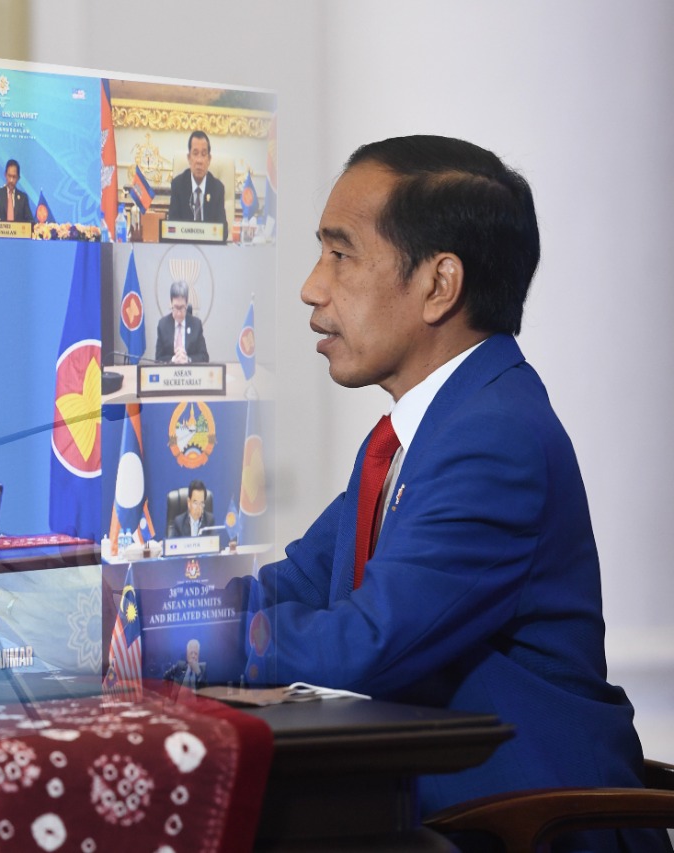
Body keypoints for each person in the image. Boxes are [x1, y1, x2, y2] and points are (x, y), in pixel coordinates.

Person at [241, 135, 662, 849]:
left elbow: (364, 644)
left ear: (439, 285)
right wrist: (151, 616)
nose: (313, 286)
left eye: (341, 254)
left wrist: (198, 638)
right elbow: (298, 584)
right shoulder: (416, 433)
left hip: (522, 827)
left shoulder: (495, 437)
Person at [166, 130, 227, 239]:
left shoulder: (217, 188)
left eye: (203, 154)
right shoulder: (178, 185)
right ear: (189, 158)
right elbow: (172, 227)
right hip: (184, 246)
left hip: (209, 247)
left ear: (209, 159)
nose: (199, 160)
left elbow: (223, 232)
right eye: (195, 153)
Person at [154, 281, 209, 364]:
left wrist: (188, 359)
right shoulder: (163, 325)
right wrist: (173, 360)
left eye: (182, 308)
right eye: (176, 307)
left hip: (190, 371)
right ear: (171, 304)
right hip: (169, 371)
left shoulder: (196, 325)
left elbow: (204, 357)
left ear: (186, 304)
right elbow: (158, 358)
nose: (179, 313)